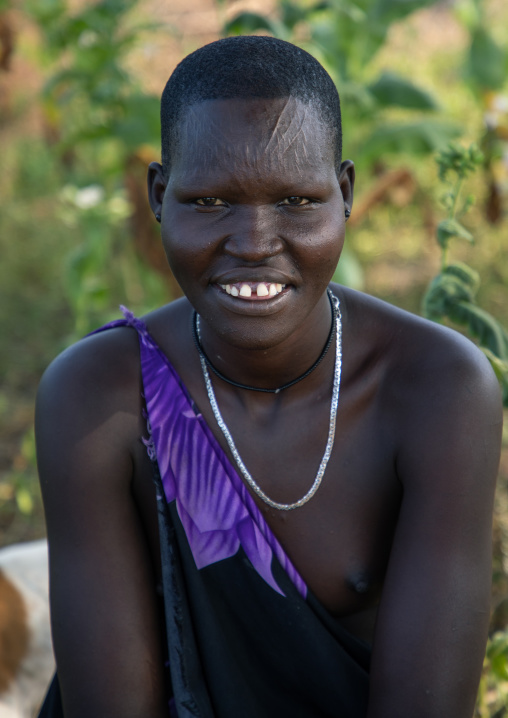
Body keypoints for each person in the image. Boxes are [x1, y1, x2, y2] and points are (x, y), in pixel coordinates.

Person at [35, 36, 503, 718]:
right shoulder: (98, 395)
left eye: (294, 200)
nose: (255, 243)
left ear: (343, 193)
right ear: (160, 196)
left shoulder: (435, 389)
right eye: (210, 203)